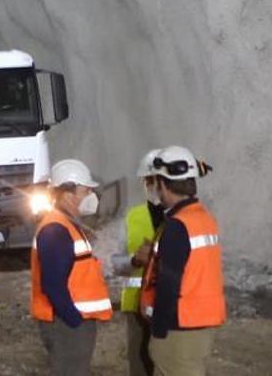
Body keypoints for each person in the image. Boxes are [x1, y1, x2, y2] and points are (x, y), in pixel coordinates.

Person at [140, 146, 222, 376]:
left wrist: (158, 330)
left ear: (164, 184)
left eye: (156, 183)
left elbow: (169, 282)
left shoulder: (177, 227)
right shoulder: (202, 217)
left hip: (180, 327)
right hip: (201, 323)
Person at [30, 159, 112, 376]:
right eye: (86, 191)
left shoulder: (64, 225)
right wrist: (74, 320)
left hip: (71, 322)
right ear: (67, 195)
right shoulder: (55, 229)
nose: (90, 197)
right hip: (67, 325)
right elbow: (53, 284)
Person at [118, 149, 166, 376]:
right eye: (148, 180)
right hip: (137, 304)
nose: (151, 185)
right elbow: (115, 263)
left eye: (156, 180)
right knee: (139, 359)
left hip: (173, 302)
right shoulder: (132, 217)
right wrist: (135, 259)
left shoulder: (182, 216)